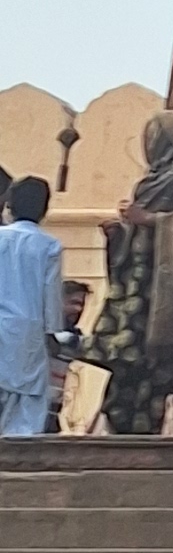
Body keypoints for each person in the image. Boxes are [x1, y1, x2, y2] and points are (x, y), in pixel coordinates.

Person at [76, 110, 173, 438]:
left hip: (164, 294)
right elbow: (139, 238)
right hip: (137, 287)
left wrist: (149, 219)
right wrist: (119, 234)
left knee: (152, 368)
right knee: (126, 362)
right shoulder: (153, 180)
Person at [0, 178, 66, 440]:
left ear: (9, 206)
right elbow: (51, 295)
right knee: (26, 402)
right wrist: (53, 333)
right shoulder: (49, 245)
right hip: (29, 331)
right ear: (44, 209)